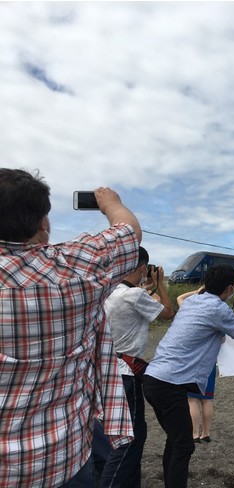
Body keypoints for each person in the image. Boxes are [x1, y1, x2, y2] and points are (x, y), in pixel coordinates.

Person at [0, 168, 142, 487]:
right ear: (43, 224)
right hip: (62, 460)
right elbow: (129, 232)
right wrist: (111, 203)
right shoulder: (77, 269)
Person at [143, 265, 234, 488]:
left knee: (175, 440)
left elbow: (185, 298)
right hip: (170, 384)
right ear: (230, 288)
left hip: (154, 377)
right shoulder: (219, 309)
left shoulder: (191, 302)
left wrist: (206, 289)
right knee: (183, 445)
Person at [96, 247, 175, 488]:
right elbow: (168, 314)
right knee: (131, 437)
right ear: (142, 267)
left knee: (113, 434)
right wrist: (160, 284)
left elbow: (137, 299)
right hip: (127, 374)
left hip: (106, 370)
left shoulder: (111, 292)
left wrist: (148, 285)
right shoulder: (135, 296)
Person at [188, 364, 218, 444]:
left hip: (194, 364)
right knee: (207, 400)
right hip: (209, 365)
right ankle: (206, 434)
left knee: (192, 400)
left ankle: (195, 435)